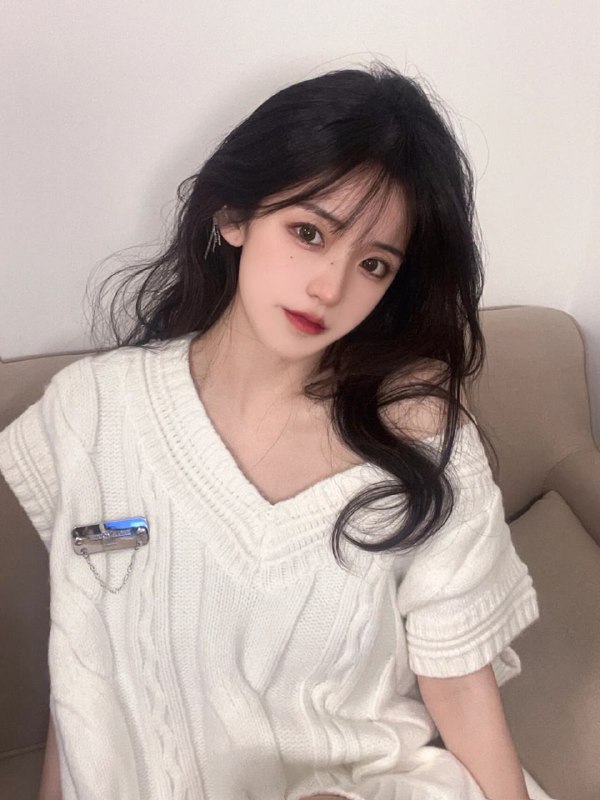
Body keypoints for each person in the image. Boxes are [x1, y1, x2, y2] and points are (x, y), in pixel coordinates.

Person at [0, 63, 548, 800]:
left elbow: (459, 683)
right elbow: (84, 672)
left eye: (374, 264)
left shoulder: (422, 436)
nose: (330, 288)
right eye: (308, 232)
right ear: (233, 215)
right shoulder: (94, 412)